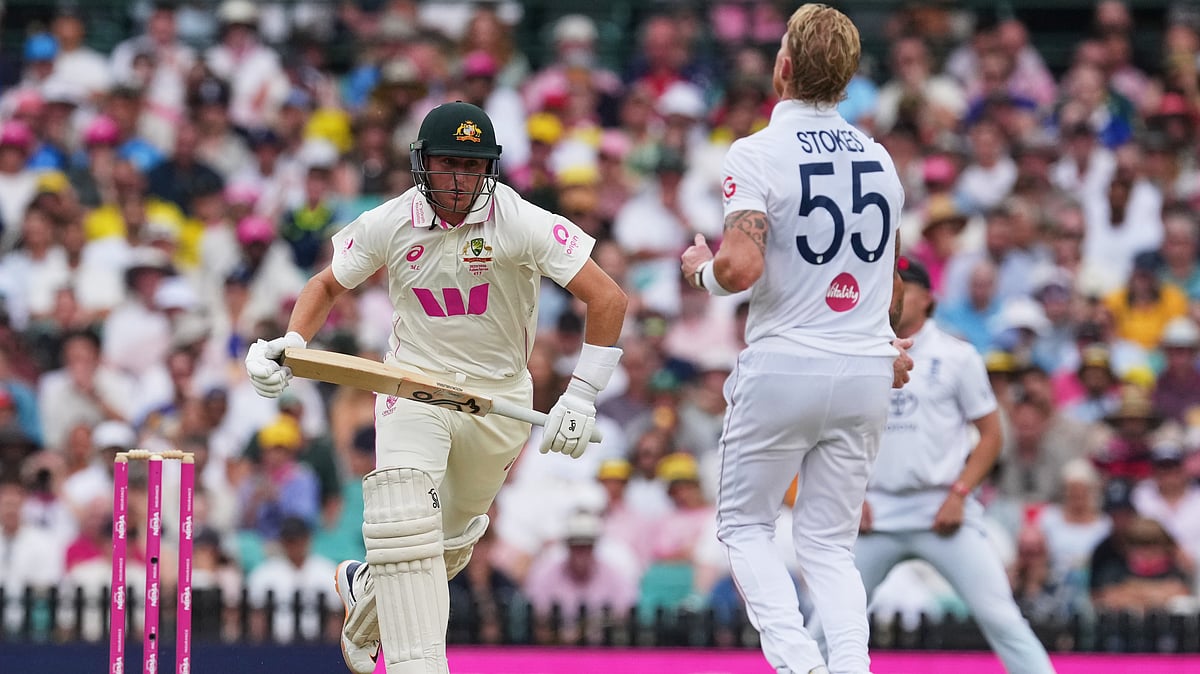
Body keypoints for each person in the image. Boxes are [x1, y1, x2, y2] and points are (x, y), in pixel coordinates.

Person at [245, 101, 627, 674]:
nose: (459, 180)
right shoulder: (390, 222)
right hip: (413, 386)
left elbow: (608, 298)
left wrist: (580, 394)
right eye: (447, 164)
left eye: (472, 167)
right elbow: (325, 285)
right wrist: (292, 344)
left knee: (449, 544)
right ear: (421, 163)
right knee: (407, 519)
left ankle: (366, 589)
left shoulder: (518, 220)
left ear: (490, 170)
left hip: (500, 399)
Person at [679, 7, 912, 673]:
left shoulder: (756, 153)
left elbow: (741, 267)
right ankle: (850, 665)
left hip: (786, 361)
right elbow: (886, 281)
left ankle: (797, 662)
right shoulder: (880, 158)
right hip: (866, 365)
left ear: (783, 68)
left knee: (747, 526)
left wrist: (701, 274)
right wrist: (884, 342)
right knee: (830, 546)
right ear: (847, 79)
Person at [851, 256, 1055, 673]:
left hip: (942, 508)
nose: (888, 295)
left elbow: (992, 435)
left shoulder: (957, 356)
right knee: (830, 620)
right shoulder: (857, 352)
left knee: (1001, 617)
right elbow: (836, 434)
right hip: (874, 511)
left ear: (927, 297)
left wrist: (960, 494)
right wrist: (851, 497)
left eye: (899, 285)